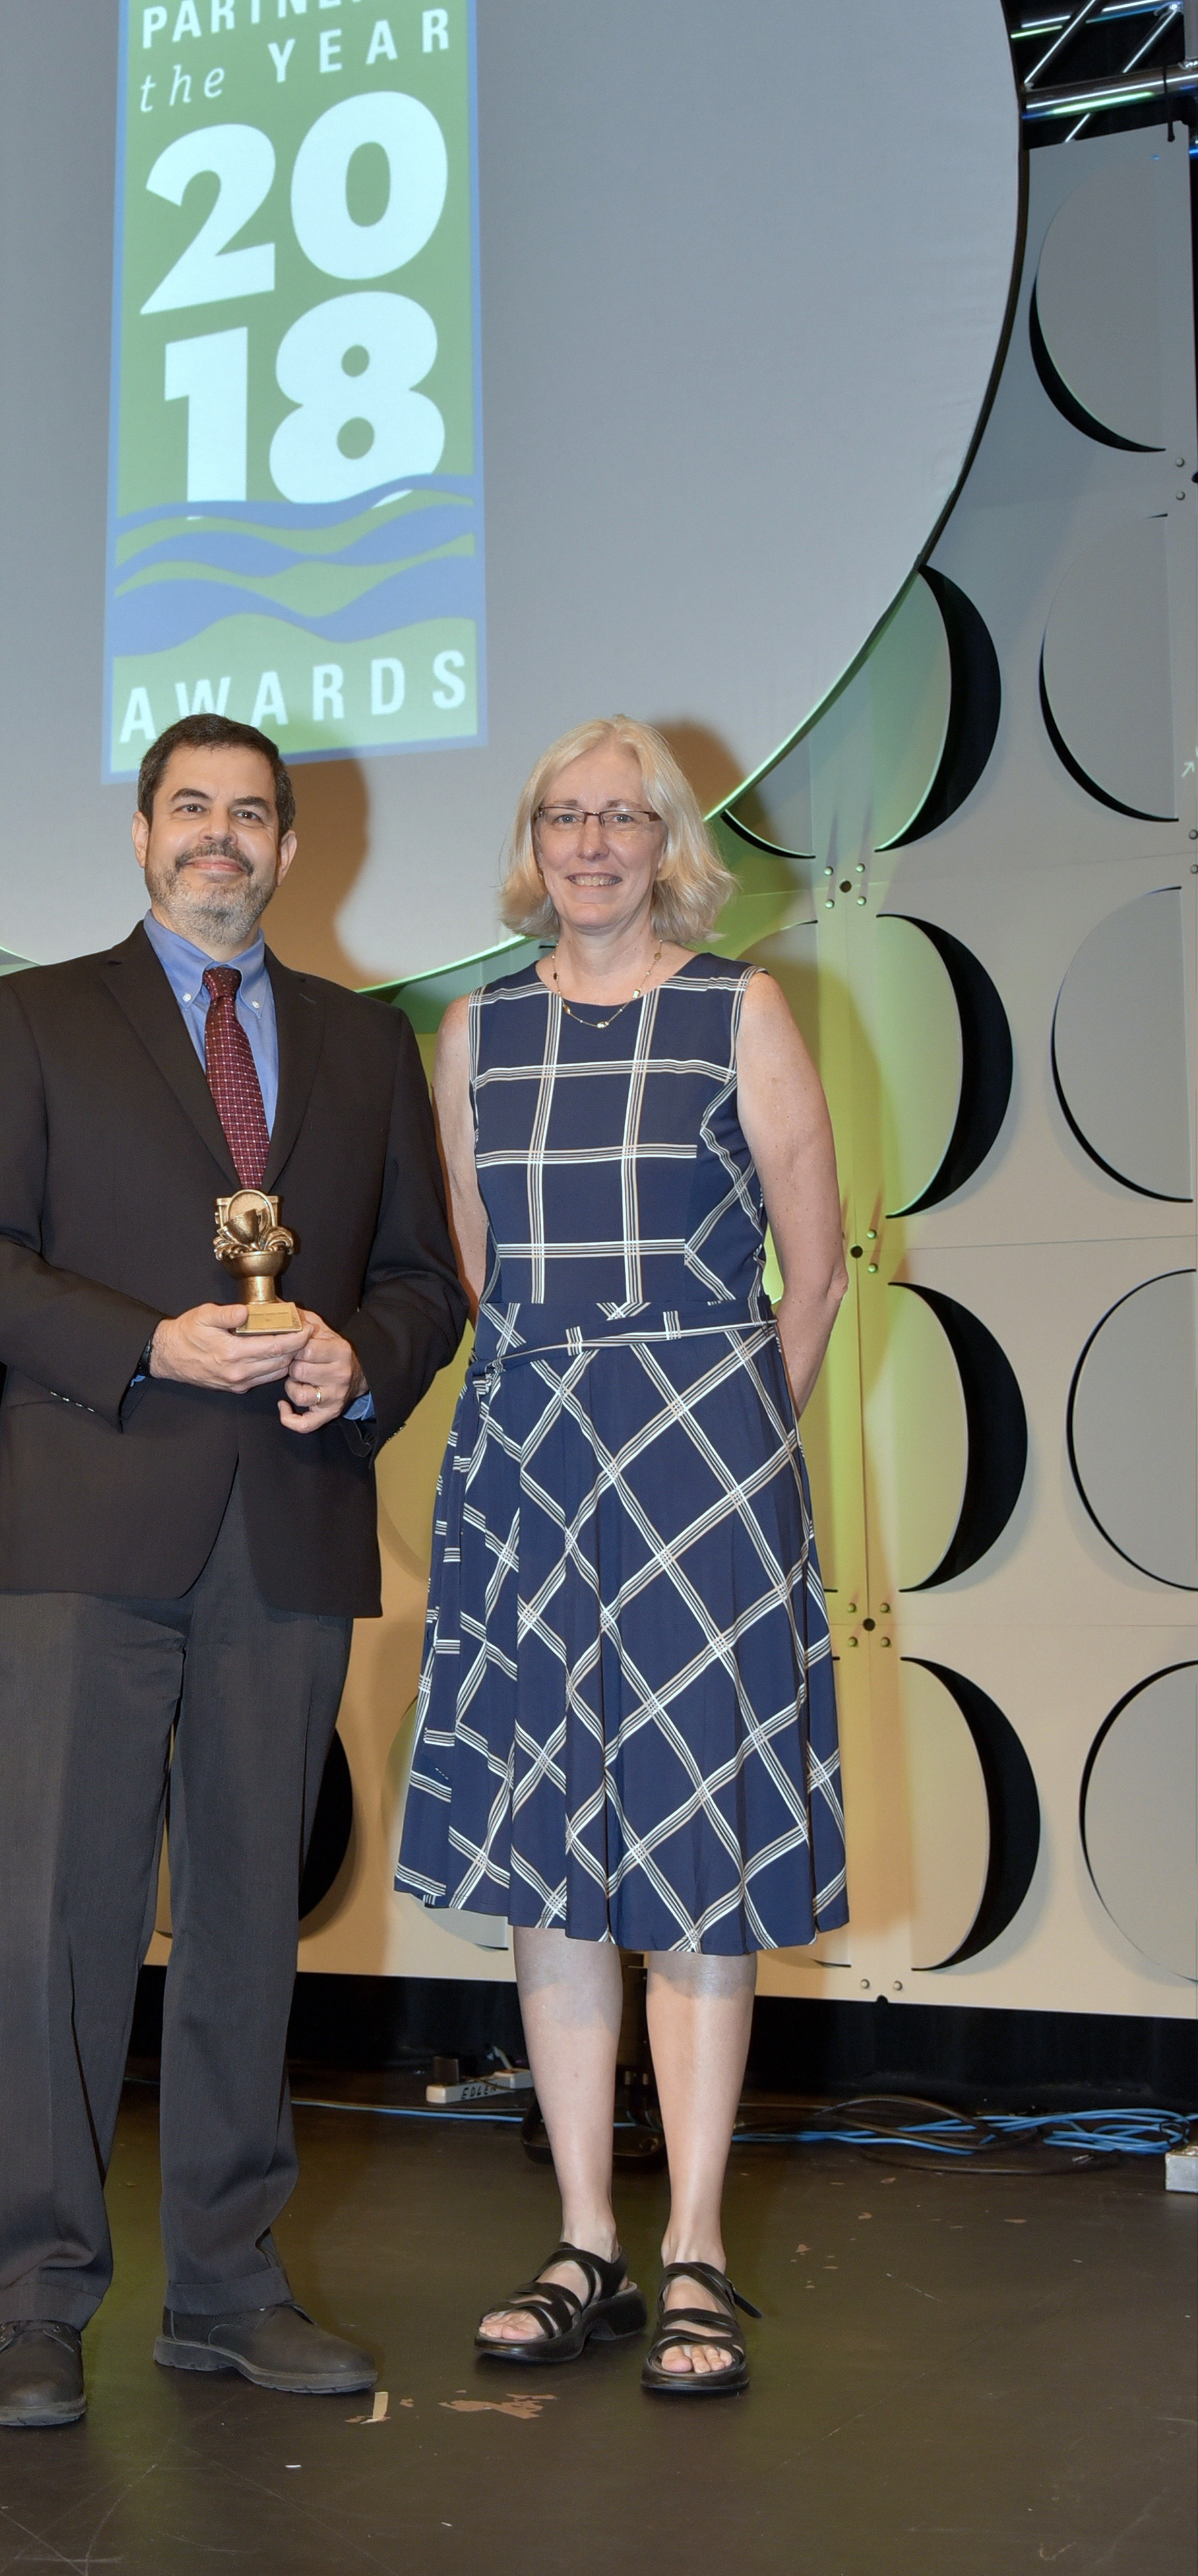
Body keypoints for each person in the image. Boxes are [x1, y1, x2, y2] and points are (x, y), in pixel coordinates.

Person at [0, 712, 464, 2429]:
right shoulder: (40, 1017)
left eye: (250, 817)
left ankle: (226, 2290)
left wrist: (351, 1362)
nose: (220, 840)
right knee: (61, 1928)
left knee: (248, 1924)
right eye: (191, 811)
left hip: (287, 1524)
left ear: (293, 853)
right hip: (88, 1524)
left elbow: (424, 1280)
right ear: (143, 836)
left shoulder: (369, 1045)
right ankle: (34, 2301)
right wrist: (148, 1343)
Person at [397, 715, 848, 2398]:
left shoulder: (740, 1008)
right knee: (553, 1871)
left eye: (624, 816)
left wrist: (730, 1446)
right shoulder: (478, 1033)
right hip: (528, 1471)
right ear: (537, 840)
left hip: (700, 1479)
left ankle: (698, 2252)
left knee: (697, 1868)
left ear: (671, 843)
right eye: (565, 815)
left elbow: (812, 1272)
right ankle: (586, 2233)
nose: (593, 841)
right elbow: (470, 1276)